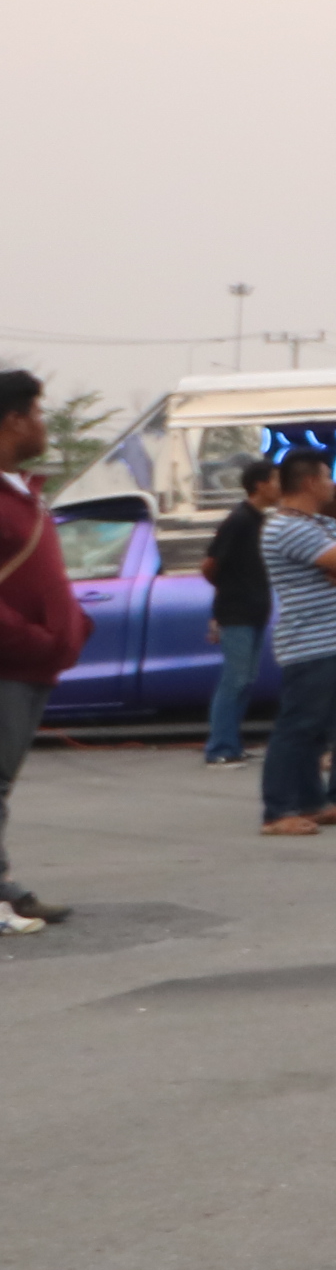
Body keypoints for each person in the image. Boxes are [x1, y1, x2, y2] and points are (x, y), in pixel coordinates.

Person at [0, 368, 92, 930]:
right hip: (11, 661)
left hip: (32, 664)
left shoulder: (23, 494)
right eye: (36, 413)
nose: (42, 424)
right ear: (13, 420)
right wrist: (32, 639)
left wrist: (72, 628)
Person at [254, 450, 336, 838]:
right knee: (298, 726)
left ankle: (313, 802)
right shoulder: (286, 527)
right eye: (326, 477)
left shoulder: (321, 523)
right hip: (311, 643)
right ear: (309, 482)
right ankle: (278, 810)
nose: (332, 485)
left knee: (320, 728)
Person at [199, 457, 279, 765]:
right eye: (276, 480)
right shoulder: (239, 520)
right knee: (234, 679)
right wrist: (229, 590)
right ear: (260, 485)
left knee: (246, 679)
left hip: (256, 610)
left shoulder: (260, 520)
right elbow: (210, 564)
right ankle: (219, 746)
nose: (281, 487)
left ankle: (232, 743)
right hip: (236, 612)